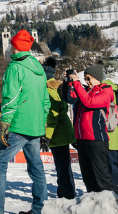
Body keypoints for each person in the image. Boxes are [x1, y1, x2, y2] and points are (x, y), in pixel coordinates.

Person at [0, 29, 49, 214]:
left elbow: (10, 98)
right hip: (36, 126)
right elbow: (45, 99)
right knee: (36, 167)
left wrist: (4, 124)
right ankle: (39, 208)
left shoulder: (15, 67)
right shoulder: (38, 66)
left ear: (15, 47)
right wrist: (43, 121)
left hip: (18, 125)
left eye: (11, 46)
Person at [65, 63, 118, 194]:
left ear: (98, 78)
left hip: (97, 140)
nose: (87, 81)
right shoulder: (87, 91)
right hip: (83, 139)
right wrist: (68, 82)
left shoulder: (105, 92)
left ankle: (113, 204)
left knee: (102, 178)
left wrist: (77, 83)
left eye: (89, 78)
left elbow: (89, 102)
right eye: (85, 79)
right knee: (88, 178)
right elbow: (69, 99)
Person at [44, 58, 76, 200]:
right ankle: (65, 193)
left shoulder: (49, 91)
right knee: (62, 167)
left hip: (58, 133)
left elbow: (53, 115)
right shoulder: (55, 88)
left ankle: (66, 195)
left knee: (62, 167)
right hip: (60, 132)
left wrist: (47, 135)